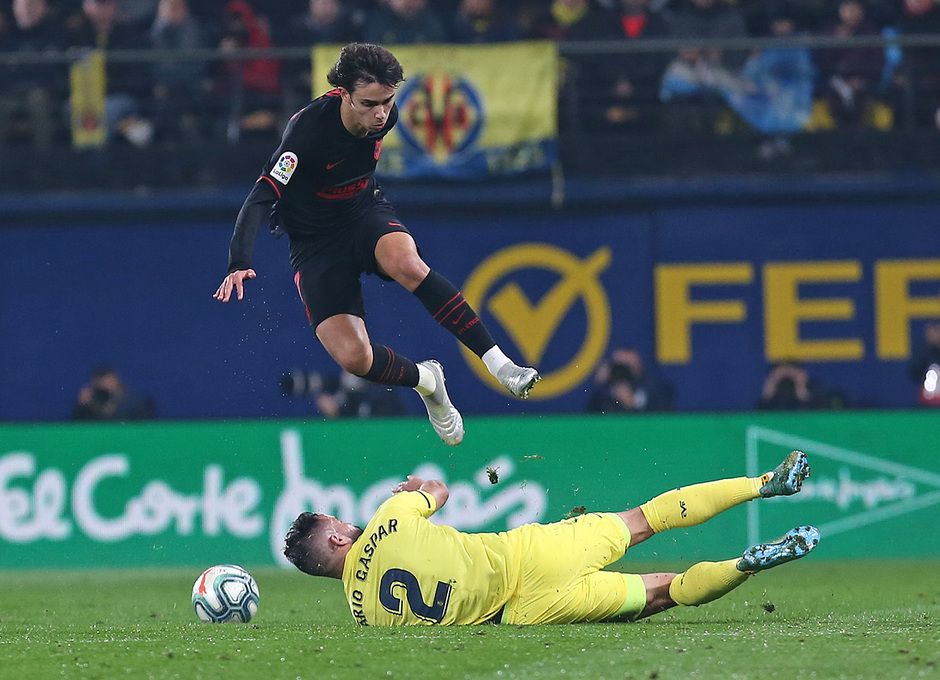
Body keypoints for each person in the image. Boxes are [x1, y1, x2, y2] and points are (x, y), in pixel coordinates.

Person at [213, 43, 540, 446]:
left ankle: (501, 365)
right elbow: (264, 193)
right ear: (343, 93)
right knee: (355, 358)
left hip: (362, 213)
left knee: (407, 263)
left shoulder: (385, 116)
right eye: (369, 104)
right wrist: (238, 260)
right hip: (315, 242)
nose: (381, 113)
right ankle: (427, 381)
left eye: (387, 101)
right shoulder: (308, 130)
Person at [284, 451, 819, 626]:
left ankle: (744, 565)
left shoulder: (367, 617)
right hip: (529, 554)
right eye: (337, 525)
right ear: (334, 543)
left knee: (665, 592)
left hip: (525, 612)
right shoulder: (388, 519)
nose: (345, 523)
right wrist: (416, 485)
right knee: (644, 520)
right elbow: (439, 490)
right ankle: (766, 484)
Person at [72, 365, 156, 420]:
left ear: (117, 381)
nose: (104, 387)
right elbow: (75, 429)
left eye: (108, 381)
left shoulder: (135, 402)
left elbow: (146, 426)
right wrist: (82, 407)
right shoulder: (89, 405)